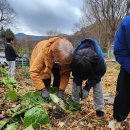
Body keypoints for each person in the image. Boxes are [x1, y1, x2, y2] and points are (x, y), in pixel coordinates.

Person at [70, 38, 106, 117]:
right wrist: (79, 85)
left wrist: (87, 87)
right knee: (75, 85)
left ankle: (99, 109)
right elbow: (75, 73)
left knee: (97, 85)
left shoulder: (100, 60)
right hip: (80, 66)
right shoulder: (74, 56)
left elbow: (97, 75)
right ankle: (74, 104)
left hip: (95, 69)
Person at [30, 37, 73, 102]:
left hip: (57, 60)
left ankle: (56, 94)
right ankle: (44, 96)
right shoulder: (44, 52)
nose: (62, 65)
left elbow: (65, 73)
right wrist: (42, 89)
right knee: (45, 79)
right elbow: (33, 71)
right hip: (43, 58)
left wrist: (61, 90)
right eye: (60, 62)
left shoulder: (67, 54)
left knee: (58, 78)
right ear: (53, 56)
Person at [113, 15, 130, 122]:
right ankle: (118, 121)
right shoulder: (127, 24)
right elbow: (119, 51)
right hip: (128, 67)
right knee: (122, 97)